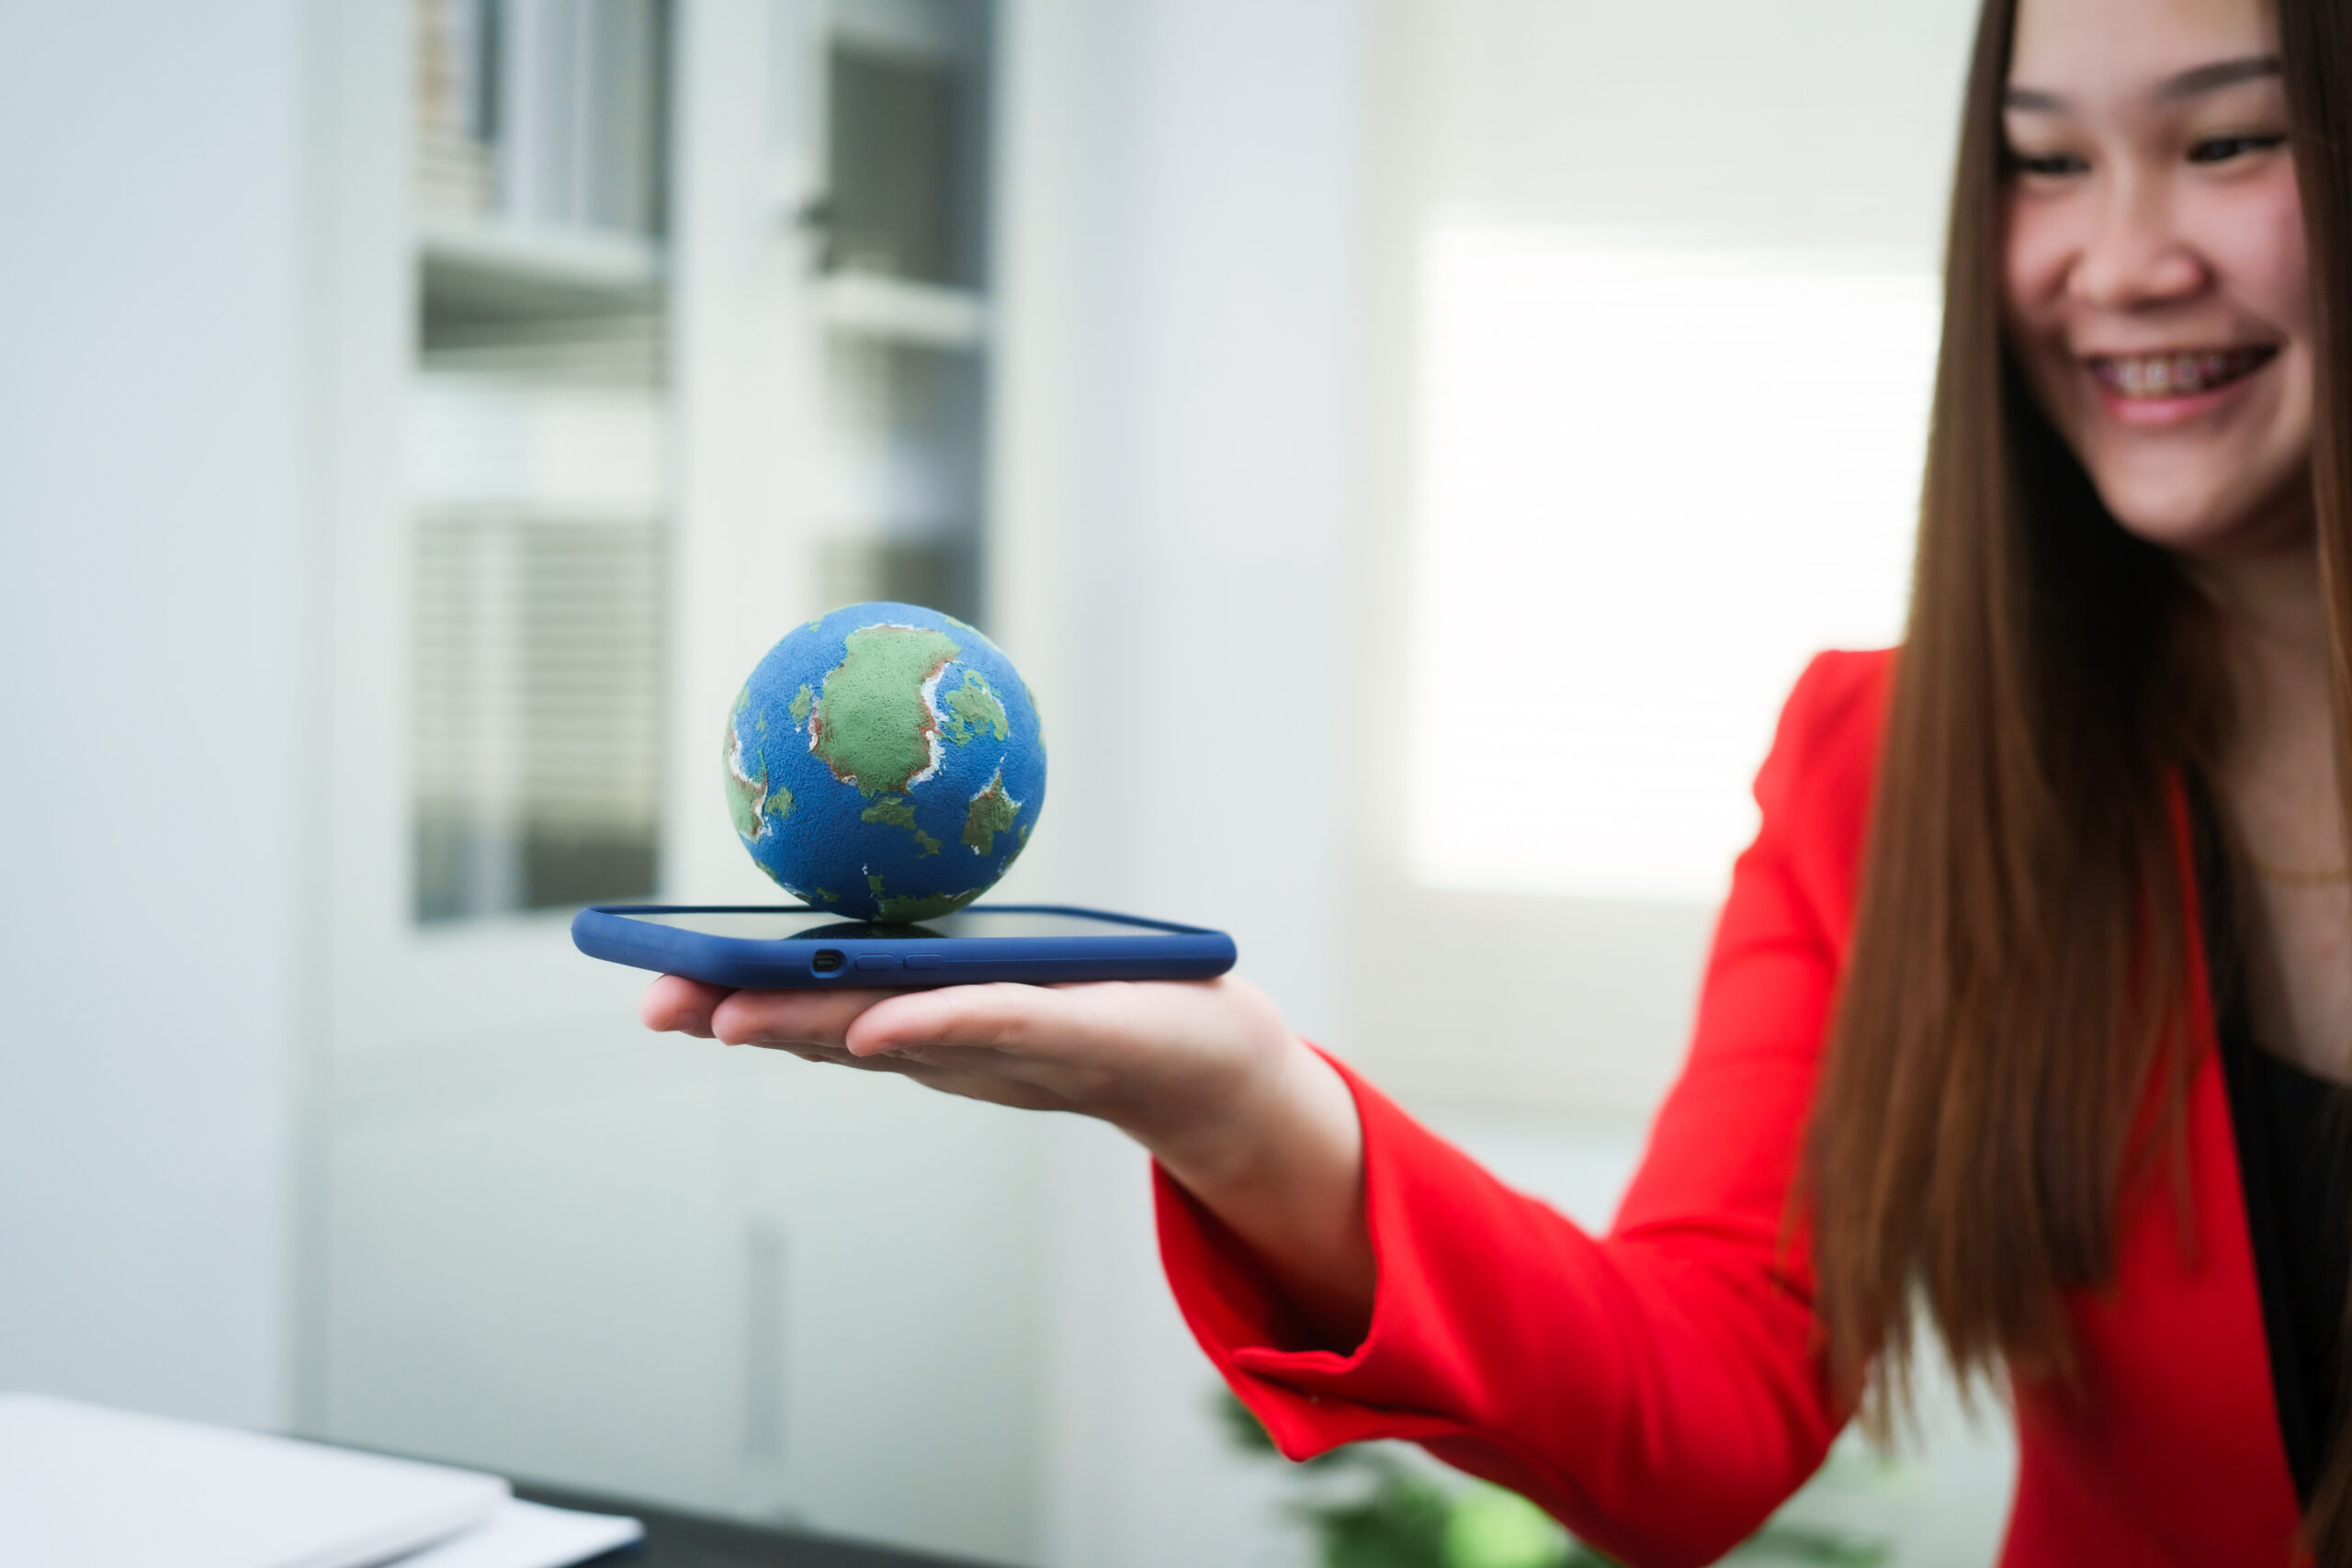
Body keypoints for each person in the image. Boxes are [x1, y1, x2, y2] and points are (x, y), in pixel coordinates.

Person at [642, 0, 2352, 1560]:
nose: (2121, 262)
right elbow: (1704, 1405)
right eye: (2045, 162)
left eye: (2230, 141)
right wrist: (1244, 1105)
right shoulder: (1890, 772)